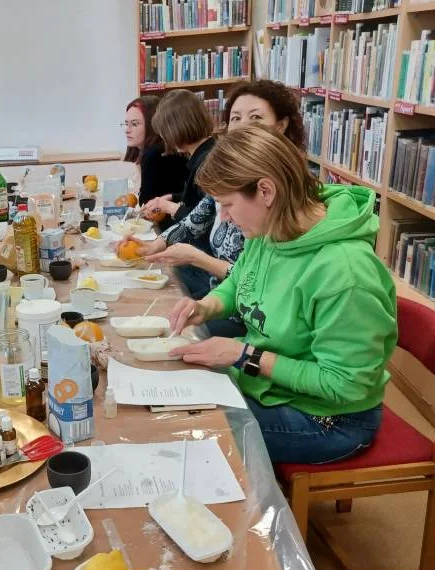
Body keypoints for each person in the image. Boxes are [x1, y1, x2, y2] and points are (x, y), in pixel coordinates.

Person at [167, 125, 397, 465]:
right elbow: (241, 282)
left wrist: (244, 354)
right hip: (273, 387)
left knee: (193, 433)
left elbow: (344, 384)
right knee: (181, 402)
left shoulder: (344, 271)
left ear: (265, 191)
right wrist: (206, 306)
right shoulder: (272, 228)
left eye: (228, 204)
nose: (226, 218)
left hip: (329, 418)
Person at [119, 80, 307, 336]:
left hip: (246, 318)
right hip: (228, 298)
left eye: (255, 117)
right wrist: (158, 244)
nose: (241, 127)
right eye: (235, 118)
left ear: (281, 125)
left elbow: (262, 293)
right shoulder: (235, 176)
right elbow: (202, 215)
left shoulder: (280, 204)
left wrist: (198, 259)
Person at [139, 89, 216, 227]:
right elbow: (199, 200)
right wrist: (173, 197)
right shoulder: (208, 151)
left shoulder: (207, 163)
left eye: (165, 132)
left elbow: (203, 221)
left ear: (176, 129)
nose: (165, 139)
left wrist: (168, 207)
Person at [122, 96, 189, 219]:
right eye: (126, 124)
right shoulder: (161, 148)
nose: (127, 130)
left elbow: (145, 204)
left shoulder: (152, 154)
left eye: (134, 124)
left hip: (165, 225)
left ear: (153, 124)